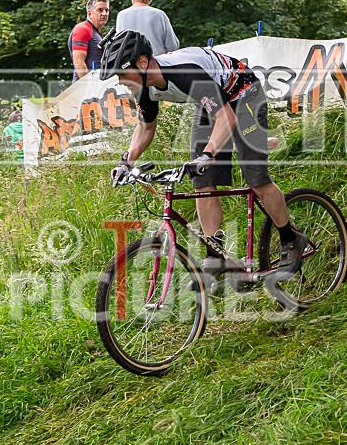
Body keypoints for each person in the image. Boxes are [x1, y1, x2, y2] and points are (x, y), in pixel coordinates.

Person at [101, 30, 307, 281]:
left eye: (122, 73)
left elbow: (227, 118)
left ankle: (291, 239)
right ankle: (217, 254)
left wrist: (208, 154)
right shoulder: (143, 85)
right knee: (202, 181)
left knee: (255, 177)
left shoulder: (184, 73)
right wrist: (126, 162)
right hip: (211, 104)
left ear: (142, 63)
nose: (121, 80)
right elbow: (146, 127)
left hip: (244, 94)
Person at [115, 0, 179, 55]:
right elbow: (172, 46)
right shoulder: (159, 15)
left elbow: (119, 45)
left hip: (130, 64)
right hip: (156, 63)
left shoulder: (121, 15)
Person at [68, 0, 109, 83]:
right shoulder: (82, 29)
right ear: (89, 14)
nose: (104, 13)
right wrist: (88, 86)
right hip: (84, 89)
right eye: (100, 10)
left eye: (107, 10)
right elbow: (79, 62)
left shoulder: (97, 33)